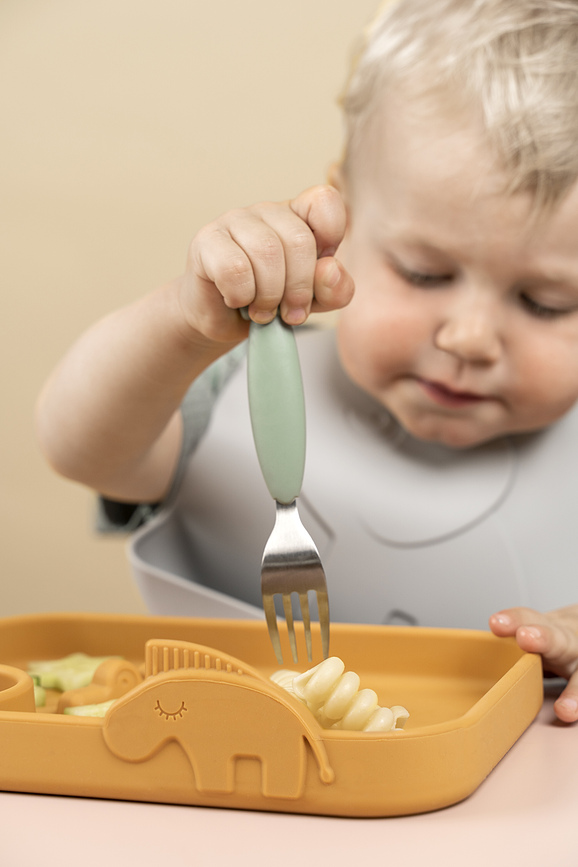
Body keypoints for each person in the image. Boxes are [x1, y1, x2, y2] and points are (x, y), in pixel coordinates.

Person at [36, 0, 578, 722]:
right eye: (424, 272)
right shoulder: (248, 390)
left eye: (544, 302)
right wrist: (186, 321)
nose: (470, 337)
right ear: (342, 216)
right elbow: (79, 447)